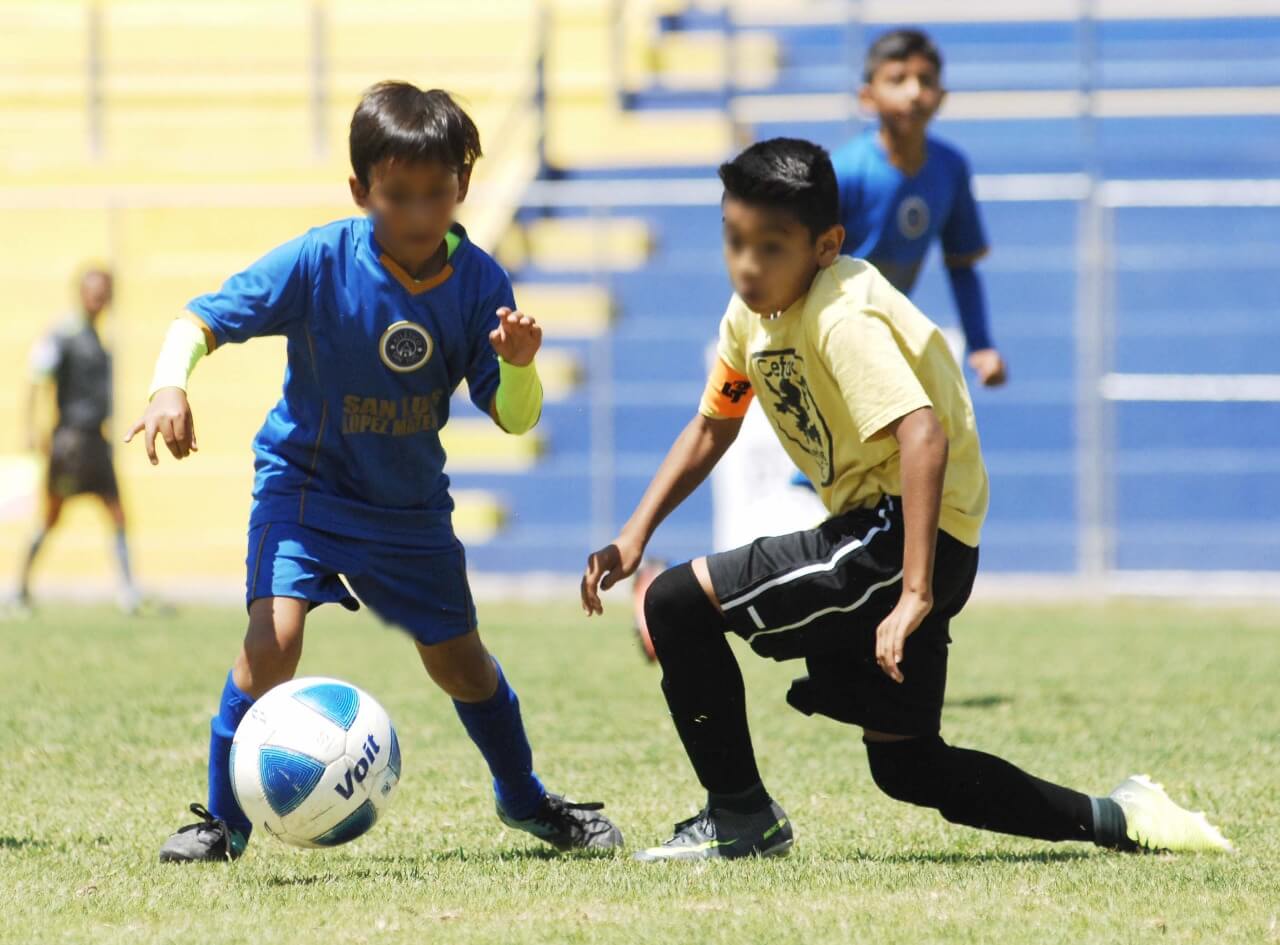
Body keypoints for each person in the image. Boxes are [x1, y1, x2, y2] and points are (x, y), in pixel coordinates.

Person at [581, 138, 1230, 861]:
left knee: (673, 602)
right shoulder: (749, 316)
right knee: (909, 765)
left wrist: (915, 590)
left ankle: (740, 817)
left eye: (772, 246)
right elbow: (714, 424)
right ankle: (1125, 818)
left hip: (900, 537)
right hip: (910, 539)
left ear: (827, 245)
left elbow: (922, 433)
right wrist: (635, 532)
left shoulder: (838, 315)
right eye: (735, 240)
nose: (748, 264)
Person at [129, 81, 622, 862]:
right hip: (307, 486)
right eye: (399, 196)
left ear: (463, 184)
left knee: (461, 665)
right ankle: (222, 823)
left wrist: (520, 367)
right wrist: (169, 384)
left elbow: (515, 415)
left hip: (408, 509)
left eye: (439, 192)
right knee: (272, 643)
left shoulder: (482, 282)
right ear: (362, 190)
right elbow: (201, 317)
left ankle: (525, 799)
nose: (422, 214)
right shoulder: (322, 258)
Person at [834, 28, 1007, 387]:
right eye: (897, 79)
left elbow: (962, 264)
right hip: (830, 334)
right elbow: (797, 263)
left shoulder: (950, 167)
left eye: (925, 80)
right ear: (867, 97)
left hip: (885, 336)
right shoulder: (844, 171)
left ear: (941, 96)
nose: (914, 92)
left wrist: (981, 345)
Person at [17, 267, 140, 615]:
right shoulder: (63, 334)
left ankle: (129, 593)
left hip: (96, 442)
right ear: (81, 293)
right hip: (70, 442)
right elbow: (36, 378)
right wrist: (30, 428)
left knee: (117, 514)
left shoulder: (100, 339)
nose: (99, 297)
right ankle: (19, 589)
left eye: (105, 291)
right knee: (51, 516)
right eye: (93, 290)